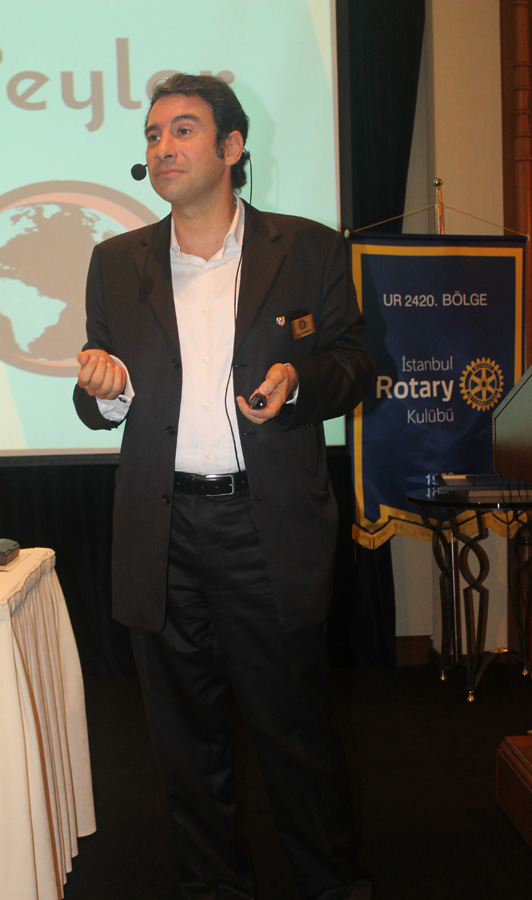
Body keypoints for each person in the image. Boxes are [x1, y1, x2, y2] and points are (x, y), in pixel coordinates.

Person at [74, 73, 376, 900]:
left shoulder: (307, 249)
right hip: (161, 531)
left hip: (263, 528)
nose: (162, 148)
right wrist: (106, 390)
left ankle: (330, 888)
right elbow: (101, 393)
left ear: (232, 147)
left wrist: (301, 381)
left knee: (296, 739)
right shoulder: (115, 262)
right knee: (185, 750)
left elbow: (355, 365)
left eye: (182, 130)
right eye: (152, 134)